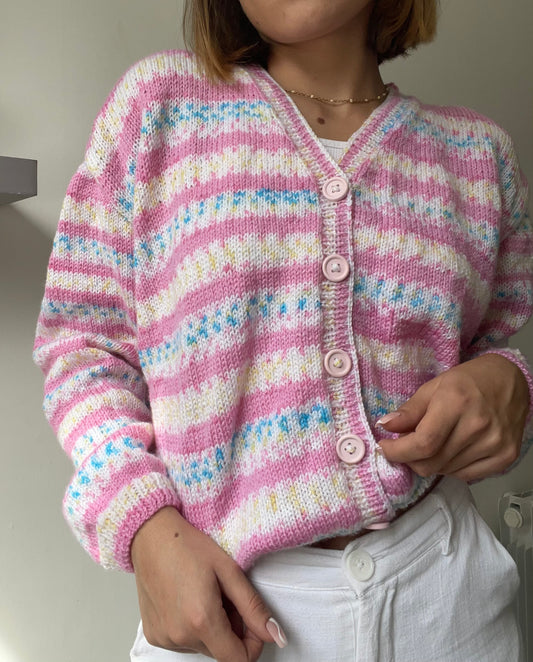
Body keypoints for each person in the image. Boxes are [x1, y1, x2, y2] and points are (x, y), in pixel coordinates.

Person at [33, 1, 533, 660]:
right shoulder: (158, 109)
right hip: (230, 611)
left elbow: (492, 354)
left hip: (445, 602)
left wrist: (512, 384)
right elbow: (82, 351)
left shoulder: (477, 156)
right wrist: (144, 526)